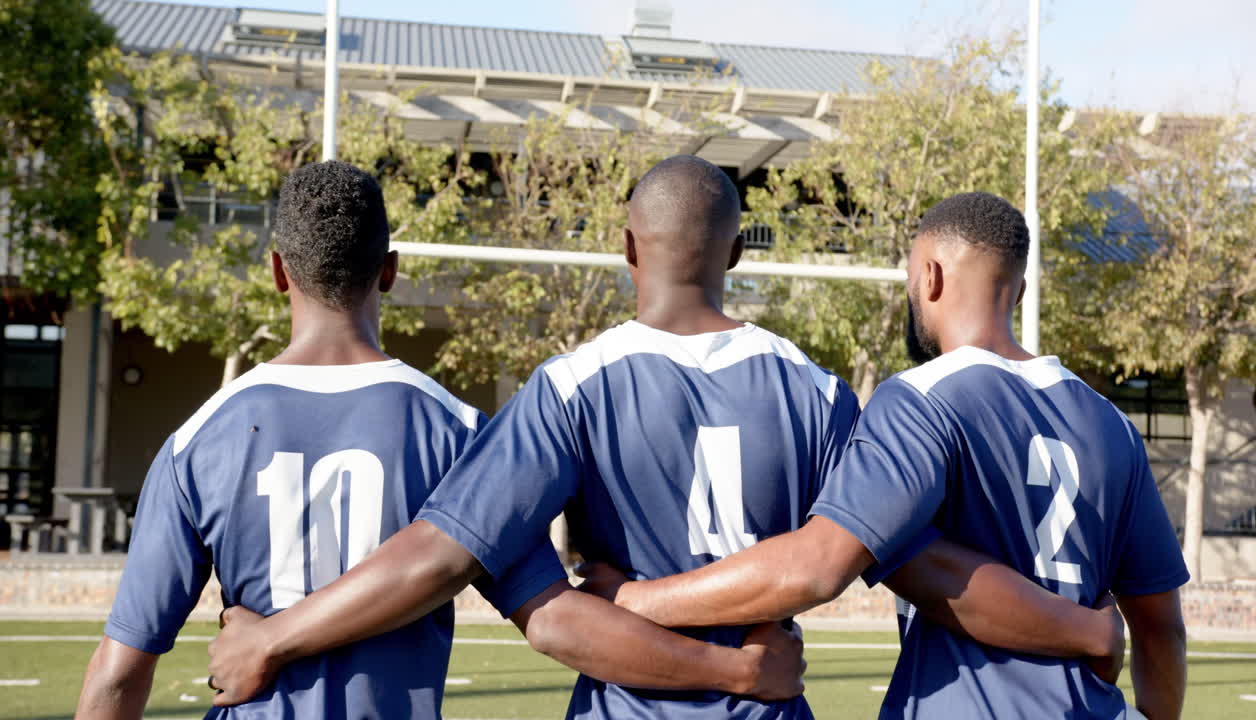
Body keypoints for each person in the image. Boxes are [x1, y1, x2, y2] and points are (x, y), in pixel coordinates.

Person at [207, 159, 1125, 718]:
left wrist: (273, 638)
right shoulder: (814, 391)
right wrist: (1083, 627)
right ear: (734, 255)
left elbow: (449, 563)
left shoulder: (569, 388)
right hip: (767, 710)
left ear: (627, 248)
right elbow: (919, 564)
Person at [74, 161, 807, 720]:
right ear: (389, 272)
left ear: (276, 272)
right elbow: (553, 619)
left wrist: (264, 640)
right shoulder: (458, 431)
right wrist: (733, 671)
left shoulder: (201, 437)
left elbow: (117, 670)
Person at [577, 191, 1189, 720]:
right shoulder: (1111, 423)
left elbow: (819, 564)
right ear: (1020, 289)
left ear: (931, 277)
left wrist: (633, 600)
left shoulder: (922, 398)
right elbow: (1161, 628)